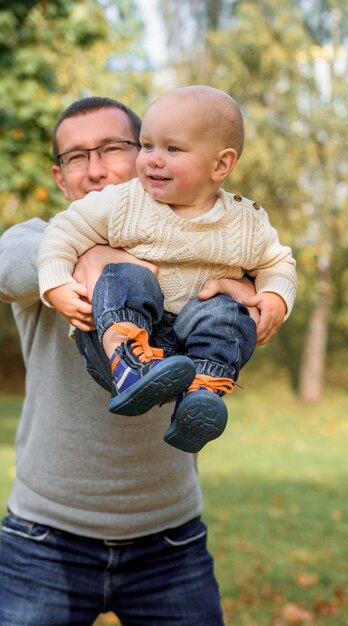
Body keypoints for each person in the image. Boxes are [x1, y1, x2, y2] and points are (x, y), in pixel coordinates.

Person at [0, 95, 265, 626]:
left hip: (169, 539)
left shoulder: (204, 241)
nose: (95, 169)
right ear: (59, 175)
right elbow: (9, 267)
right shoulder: (35, 240)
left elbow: (253, 294)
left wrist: (252, 288)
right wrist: (91, 254)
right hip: (44, 538)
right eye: (77, 156)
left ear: (146, 155)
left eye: (113, 148)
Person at [38, 86, 297, 454]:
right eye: (147, 146)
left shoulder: (246, 223)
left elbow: (277, 262)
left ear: (221, 165)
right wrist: (57, 285)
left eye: (171, 149)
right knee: (128, 277)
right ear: (58, 175)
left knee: (226, 310)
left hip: (192, 351)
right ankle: (128, 367)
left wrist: (272, 295)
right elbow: (60, 232)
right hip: (119, 342)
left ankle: (202, 394)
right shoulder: (122, 203)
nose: (153, 160)